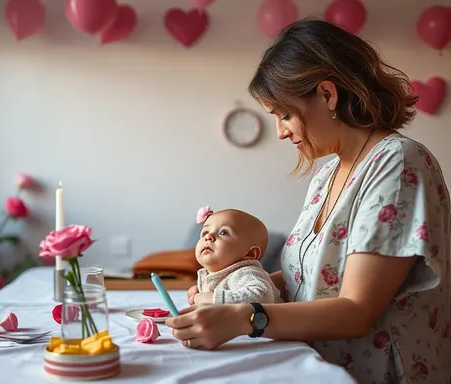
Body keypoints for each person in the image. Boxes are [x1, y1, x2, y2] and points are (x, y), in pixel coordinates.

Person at [166, 19, 451, 384]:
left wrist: (243, 317)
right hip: (315, 364)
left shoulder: (397, 163)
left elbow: (356, 310)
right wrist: (229, 293)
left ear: (328, 95)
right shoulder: (327, 173)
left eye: (285, 114)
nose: (281, 131)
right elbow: (311, 277)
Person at [193, 206, 280, 305]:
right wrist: (199, 293)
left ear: (250, 253)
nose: (208, 237)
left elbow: (263, 296)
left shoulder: (246, 273)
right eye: (205, 233)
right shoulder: (212, 275)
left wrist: (214, 298)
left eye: (223, 232)